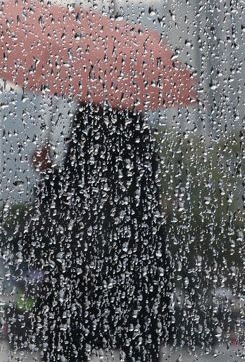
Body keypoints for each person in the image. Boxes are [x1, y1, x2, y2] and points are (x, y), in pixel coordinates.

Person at [25, 103, 171, 362]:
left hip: (91, 268)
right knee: (139, 340)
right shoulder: (138, 138)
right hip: (131, 270)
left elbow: (71, 199)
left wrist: (47, 175)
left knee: (64, 330)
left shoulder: (87, 129)